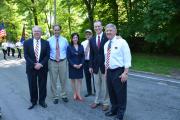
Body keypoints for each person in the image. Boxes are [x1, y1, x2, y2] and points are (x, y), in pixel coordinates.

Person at [104, 23, 131, 120]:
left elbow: (127, 58)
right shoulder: (106, 44)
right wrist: (106, 72)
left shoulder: (122, 42)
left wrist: (125, 72)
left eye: (110, 30)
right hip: (109, 72)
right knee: (112, 93)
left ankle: (120, 114)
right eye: (107, 30)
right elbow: (106, 59)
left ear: (115, 31)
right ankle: (114, 109)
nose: (108, 32)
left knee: (120, 94)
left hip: (119, 71)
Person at [23, 26, 50, 109]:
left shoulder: (46, 43)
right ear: (32, 32)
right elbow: (26, 56)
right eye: (35, 31)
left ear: (41, 33)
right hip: (31, 68)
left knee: (42, 85)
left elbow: (47, 55)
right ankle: (33, 101)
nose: (37, 32)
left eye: (38, 31)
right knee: (32, 85)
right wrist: (34, 64)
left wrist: (40, 64)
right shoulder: (27, 42)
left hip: (42, 67)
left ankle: (42, 101)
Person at [89, 20, 109, 111]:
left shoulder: (107, 37)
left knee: (105, 86)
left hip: (105, 66)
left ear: (102, 27)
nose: (97, 28)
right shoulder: (92, 39)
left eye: (98, 26)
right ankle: (96, 101)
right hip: (95, 67)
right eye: (95, 27)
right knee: (97, 85)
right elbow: (91, 54)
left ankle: (106, 103)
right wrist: (90, 66)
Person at [48, 24, 69, 104]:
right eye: (55, 30)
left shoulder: (65, 40)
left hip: (63, 61)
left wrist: (66, 60)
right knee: (53, 80)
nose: (56, 31)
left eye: (58, 29)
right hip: (52, 62)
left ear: (60, 30)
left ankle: (64, 95)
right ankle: (55, 96)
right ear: (53, 30)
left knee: (63, 79)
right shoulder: (49, 40)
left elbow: (67, 51)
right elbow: (47, 52)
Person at [67, 33, 85, 101]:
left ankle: (79, 94)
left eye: (76, 37)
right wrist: (73, 65)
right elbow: (68, 58)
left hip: (80, 65)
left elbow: (83, 56)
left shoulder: (81, 46)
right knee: (73, 80)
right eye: (74, 38)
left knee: (79, 80)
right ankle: (75, 93)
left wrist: (81, 64)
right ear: (71, 39)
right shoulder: (69, 47)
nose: (75, 39)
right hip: (72, 66)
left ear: (78, 38)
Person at [81, 29, 94, 97]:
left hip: (93, 62)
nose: (88, 35)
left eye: (89, 34)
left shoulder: (94, 41)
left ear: (92, 35)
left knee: (94, 77)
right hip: (85, 62)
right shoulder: (83, 43)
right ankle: (89, 91)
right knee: (87, 77)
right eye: (87, 34)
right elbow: (81, 53)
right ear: (85, 35)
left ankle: (96, 91)